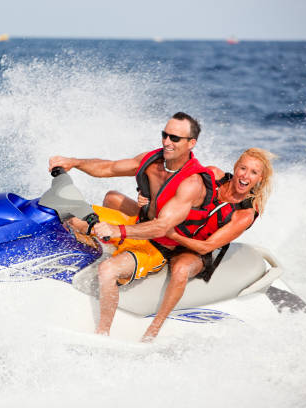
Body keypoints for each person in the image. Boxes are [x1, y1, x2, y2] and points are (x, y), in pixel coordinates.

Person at [49, 112, 216, 341]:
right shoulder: (153, 162)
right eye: (165, 135)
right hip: (136, 224)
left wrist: (117, 231)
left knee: (107, 271)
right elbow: (109, 168)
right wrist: (74, 163)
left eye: (175, 138)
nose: (167, 142)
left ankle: (103, 334)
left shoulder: (192, 183)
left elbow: (161, 227)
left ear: (191, 143)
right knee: (70, 214)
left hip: (158, 246)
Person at [157, 148, 275, 285]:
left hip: (196, 252)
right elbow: (172, 189)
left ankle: (167, 307)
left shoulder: (245, 214)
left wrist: (172, 235)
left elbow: (206, 247)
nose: (246, 176)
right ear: (236, 167)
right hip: (173, 229)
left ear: (260, 179)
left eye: (254, 172)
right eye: (243, 168)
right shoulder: (212, 175)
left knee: (181, 269)